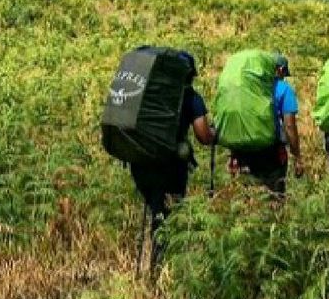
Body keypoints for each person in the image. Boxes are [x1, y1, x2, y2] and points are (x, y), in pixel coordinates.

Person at [129, 51, 214, 270]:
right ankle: (162, 270)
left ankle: (157, 268)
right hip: (170, 169)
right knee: (168, 218)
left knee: (158, 211)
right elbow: (204, 136)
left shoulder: (150, 94)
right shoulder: (191, 98)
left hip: (141, 164)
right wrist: (216, 135)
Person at [227, 54, 303, 195]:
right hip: (272, 153)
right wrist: (297, 156)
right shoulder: (284, 89)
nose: (284, 77)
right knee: (275, 199)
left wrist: (233, 154)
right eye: (284, 73)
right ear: (280, 69)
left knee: (248, 198)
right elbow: (289, 126)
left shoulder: (248, 88)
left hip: (244, 151)